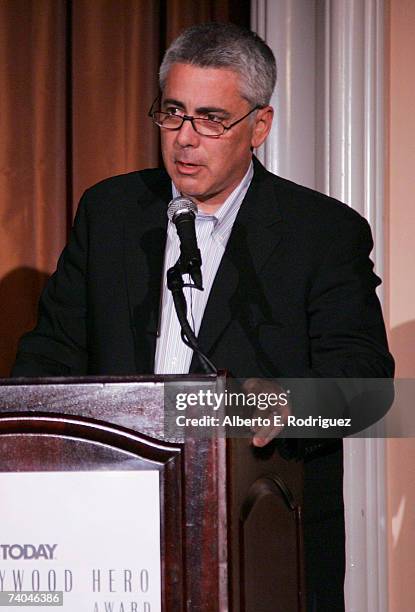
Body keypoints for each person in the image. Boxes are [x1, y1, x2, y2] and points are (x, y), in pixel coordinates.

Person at [12, 22, 394, 610]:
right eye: (173, 113)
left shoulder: (321, 232)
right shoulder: (110, 212)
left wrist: (287, 403)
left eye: (211, 119)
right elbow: (48, 358)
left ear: (258, 127)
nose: (186, 139)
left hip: (261, 532)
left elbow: (368, 386)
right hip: (108, 531)